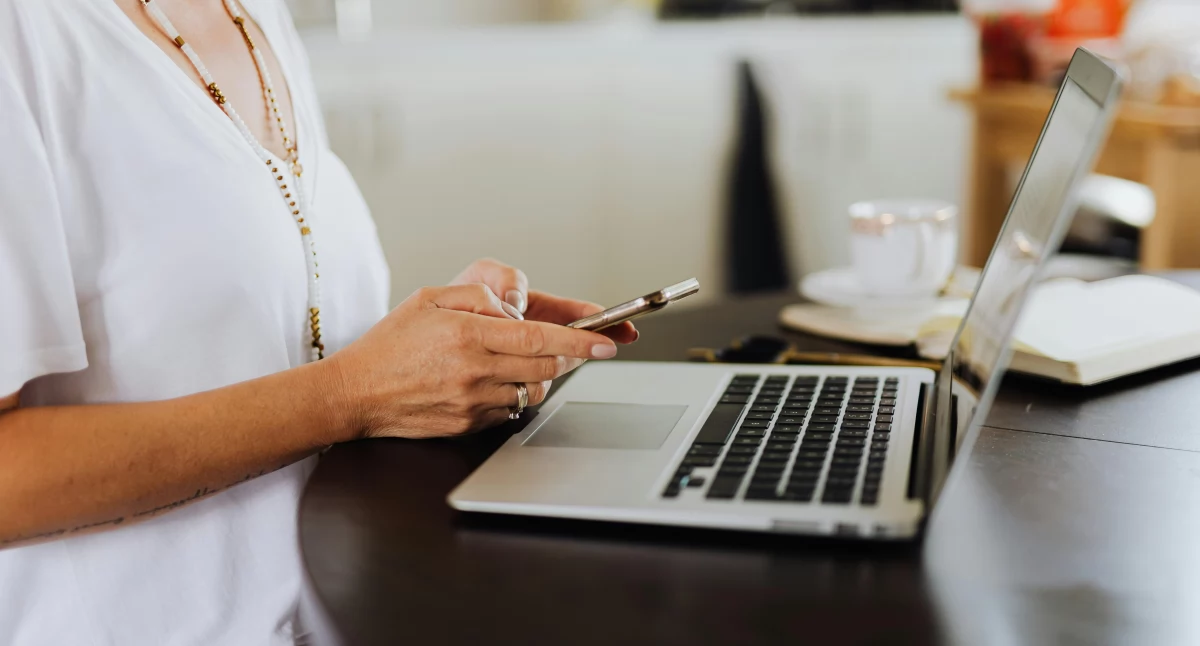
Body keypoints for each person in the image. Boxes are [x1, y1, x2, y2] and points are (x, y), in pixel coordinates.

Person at [0, 0, 637, 643]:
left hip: (346, 609)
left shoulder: (252, 14)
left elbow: (246, 333)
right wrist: (353, 393)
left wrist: (434, 354)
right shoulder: (22, 36)